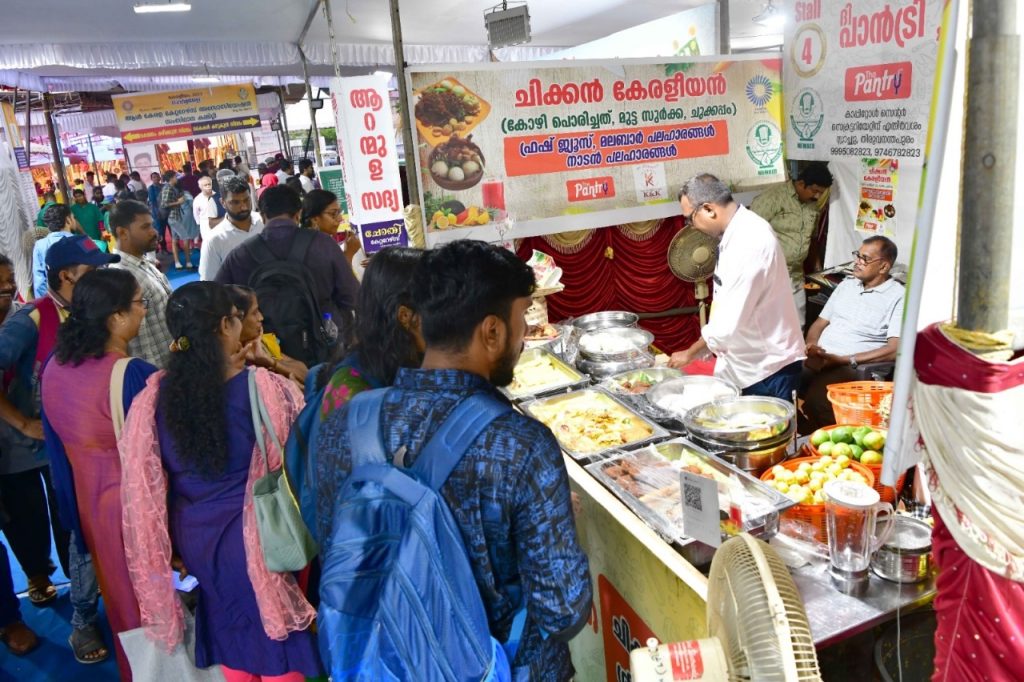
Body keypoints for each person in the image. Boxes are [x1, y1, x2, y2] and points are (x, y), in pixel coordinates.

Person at [314, 240, 592, 680]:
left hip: (384, 664)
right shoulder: (522, 445)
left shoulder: (345, 426)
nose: (524, 335)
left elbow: (336, 549)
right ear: (492, 331)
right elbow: (563, 611)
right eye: (522, 318)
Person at [119, 282, 321, 681]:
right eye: (238, 316)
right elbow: (302, 448)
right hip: (262, 536)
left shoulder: (155, 396)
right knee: (279, 639)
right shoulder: (261, 387)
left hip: (196, 537)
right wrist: (271, 365)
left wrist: (169, 545)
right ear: (224, 326)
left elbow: (149, 483)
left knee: (231, 629)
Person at [1, 240, 118, 663]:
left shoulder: (89, 314)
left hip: (64, 440)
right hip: (17, 441)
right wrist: (21, 421)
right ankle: (37, 574)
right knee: (26, 514)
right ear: (67, 276)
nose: (100, 278)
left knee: (70, 514)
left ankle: (80, 589)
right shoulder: (32, 319)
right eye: (92, 271)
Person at [40, 268, 158, 681]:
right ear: (116, 316)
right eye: (140, 303)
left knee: (123, 606)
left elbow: (56, 450)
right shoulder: (133, 375)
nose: (144, 312)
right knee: (155, 607)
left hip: (88, 504)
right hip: (135, 511)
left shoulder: (54, 366)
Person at [669, 174, 805, 401]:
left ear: (709, 209)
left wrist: (690, 354)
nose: (691, 226)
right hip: (746, 361)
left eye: (690, 219)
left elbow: (726, 326)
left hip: (767, 369)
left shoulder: (749, 241)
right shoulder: (738, 230)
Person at [799, 235, 904, 431]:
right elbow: (819, 324)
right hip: (820, 357)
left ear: (883, 267)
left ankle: (828, 439)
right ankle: (805, 429)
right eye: (857, 255)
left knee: (817, 401)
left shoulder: (898, 296)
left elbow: (894, 349)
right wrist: (811, 345)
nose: (857, 262)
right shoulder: (847, 285)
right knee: (773, 381)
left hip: (851, 366)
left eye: (865, 259)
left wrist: (845, 360)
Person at [215, 184, 359, 327]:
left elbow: (217, 302)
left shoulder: (241, 254)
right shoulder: (324, 244)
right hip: (323, 333)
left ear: (263, 216)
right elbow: (351, 295)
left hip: (264, 337)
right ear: (298, 214)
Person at [750, 162, 834, 323]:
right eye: (815, 191)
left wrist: (817, 268)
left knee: (798, 323)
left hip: (795, 275)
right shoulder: (772, 197)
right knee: (770, 325)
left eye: (821, 193)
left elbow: (812, 238)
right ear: (801, 184)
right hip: (769, 275)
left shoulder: (813, 206)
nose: (817, 196)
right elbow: (749, 232)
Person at [110, 199, 174, 368]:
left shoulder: (142, 263)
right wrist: (155, 378)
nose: (154, 232)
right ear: (122, 232)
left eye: (152, 225)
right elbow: (141, 345)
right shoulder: (122, 276)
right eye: (145, 227)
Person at [228, 285, 308, 384]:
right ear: (238, 320)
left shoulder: (262, 342)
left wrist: (270, 362)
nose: (261, 317)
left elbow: (306, 374)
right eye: (254, 313)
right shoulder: (229, 361)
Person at [199, 177, 265, 282]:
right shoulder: (214, 240)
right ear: (223, 203)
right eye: (235, 202)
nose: (243, 207)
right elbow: (209, 282)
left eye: (246, 200)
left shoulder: (264, 222)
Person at [32, 204, 80, 297]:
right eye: (73, 217)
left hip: (56, 300)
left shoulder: (40, 245)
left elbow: (39, 282)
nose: (75, 220)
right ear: (68, 220)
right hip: (81, 297)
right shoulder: (81, 242)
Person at [160, 169, 195, 269]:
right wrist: (178, 202)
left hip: (175, 216)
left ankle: (177, 263)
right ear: (171, 178)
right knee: (186, 237)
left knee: (175, 240)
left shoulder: (171, 187)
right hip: (173, 217)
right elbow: (164, 204)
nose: (177, 178)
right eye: (175, 176)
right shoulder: (168, 188)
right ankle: (188, 262)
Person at [194, 175, 220, 242]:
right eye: (205, 185)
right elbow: (196, 214)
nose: (208, 186)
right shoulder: (198, 199)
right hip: (205, 225)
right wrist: (200, 224)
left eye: (209, 184)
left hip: (219, 222)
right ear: (200, 187)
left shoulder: (218, 196)